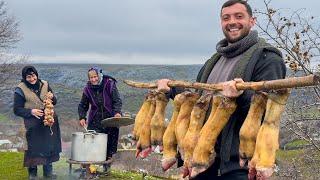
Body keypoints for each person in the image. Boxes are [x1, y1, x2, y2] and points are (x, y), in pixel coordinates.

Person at [157, 0, 286, 179]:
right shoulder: (215, 60)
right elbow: (199, 100)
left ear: (252, 21)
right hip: (203, 158)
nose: (232, 22)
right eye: (226, 18)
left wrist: (239, 96)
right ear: (221, 23)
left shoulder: (267, 58)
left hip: (236, 165)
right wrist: (171, 89)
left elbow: (269, 110)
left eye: (239, 16)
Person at [13, 66, 61, 180]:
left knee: (48, 148)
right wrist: (31, 111)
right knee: (33, 150)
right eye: (28, 77)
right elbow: (17, 109)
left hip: (47, 122)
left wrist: (52, 97)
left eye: (33, 75)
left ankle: (48, 175)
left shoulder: (45, 84)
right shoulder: (20, 89)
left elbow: (54, 101)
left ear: (37, 74)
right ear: (24, 78)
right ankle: (32, 175)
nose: (32, 78)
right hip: (32, 125)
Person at [78, 66, 122, 171]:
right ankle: (89, 171)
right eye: (91, 78)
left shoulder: (109, 84)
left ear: (99, 75)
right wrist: (82, 117)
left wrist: (117, 113)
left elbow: (117, 100)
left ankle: (106, 170)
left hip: (110, 119)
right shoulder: (87, 89)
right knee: (91, 144)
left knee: (108, 148)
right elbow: (83, 105)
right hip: (95, 119)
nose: (93, 79)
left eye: (95, 76)